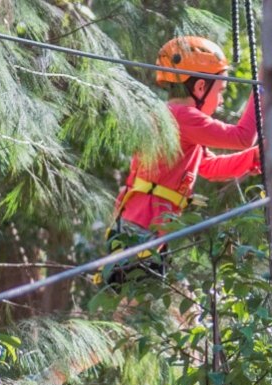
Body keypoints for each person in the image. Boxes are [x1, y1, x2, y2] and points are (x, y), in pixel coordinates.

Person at [109, 35, 263, 282]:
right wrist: (262, 88)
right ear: (201, 87)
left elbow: (209, 168)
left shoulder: (173, 118)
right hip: (143, 227)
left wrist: (254, 157)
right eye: (220, 91)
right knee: (139, 308)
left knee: (148, 308)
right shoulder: (184, 117)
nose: (221, 100)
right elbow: (243, 136)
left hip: (142, 225)